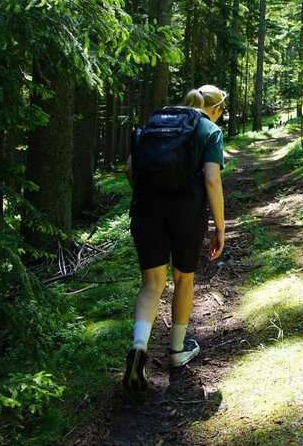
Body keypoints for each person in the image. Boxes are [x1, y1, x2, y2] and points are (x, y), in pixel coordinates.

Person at [122, 85, 226, 390]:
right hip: (186, 211)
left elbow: (129, 168)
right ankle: (178, 351)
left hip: (147, 207)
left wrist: (150, 201)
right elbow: (211, 179)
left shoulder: (159, 120)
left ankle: (139, 347)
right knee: (183, 279)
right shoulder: (208, 129)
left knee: (151, 284)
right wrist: (220, 228)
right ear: (216, 109)